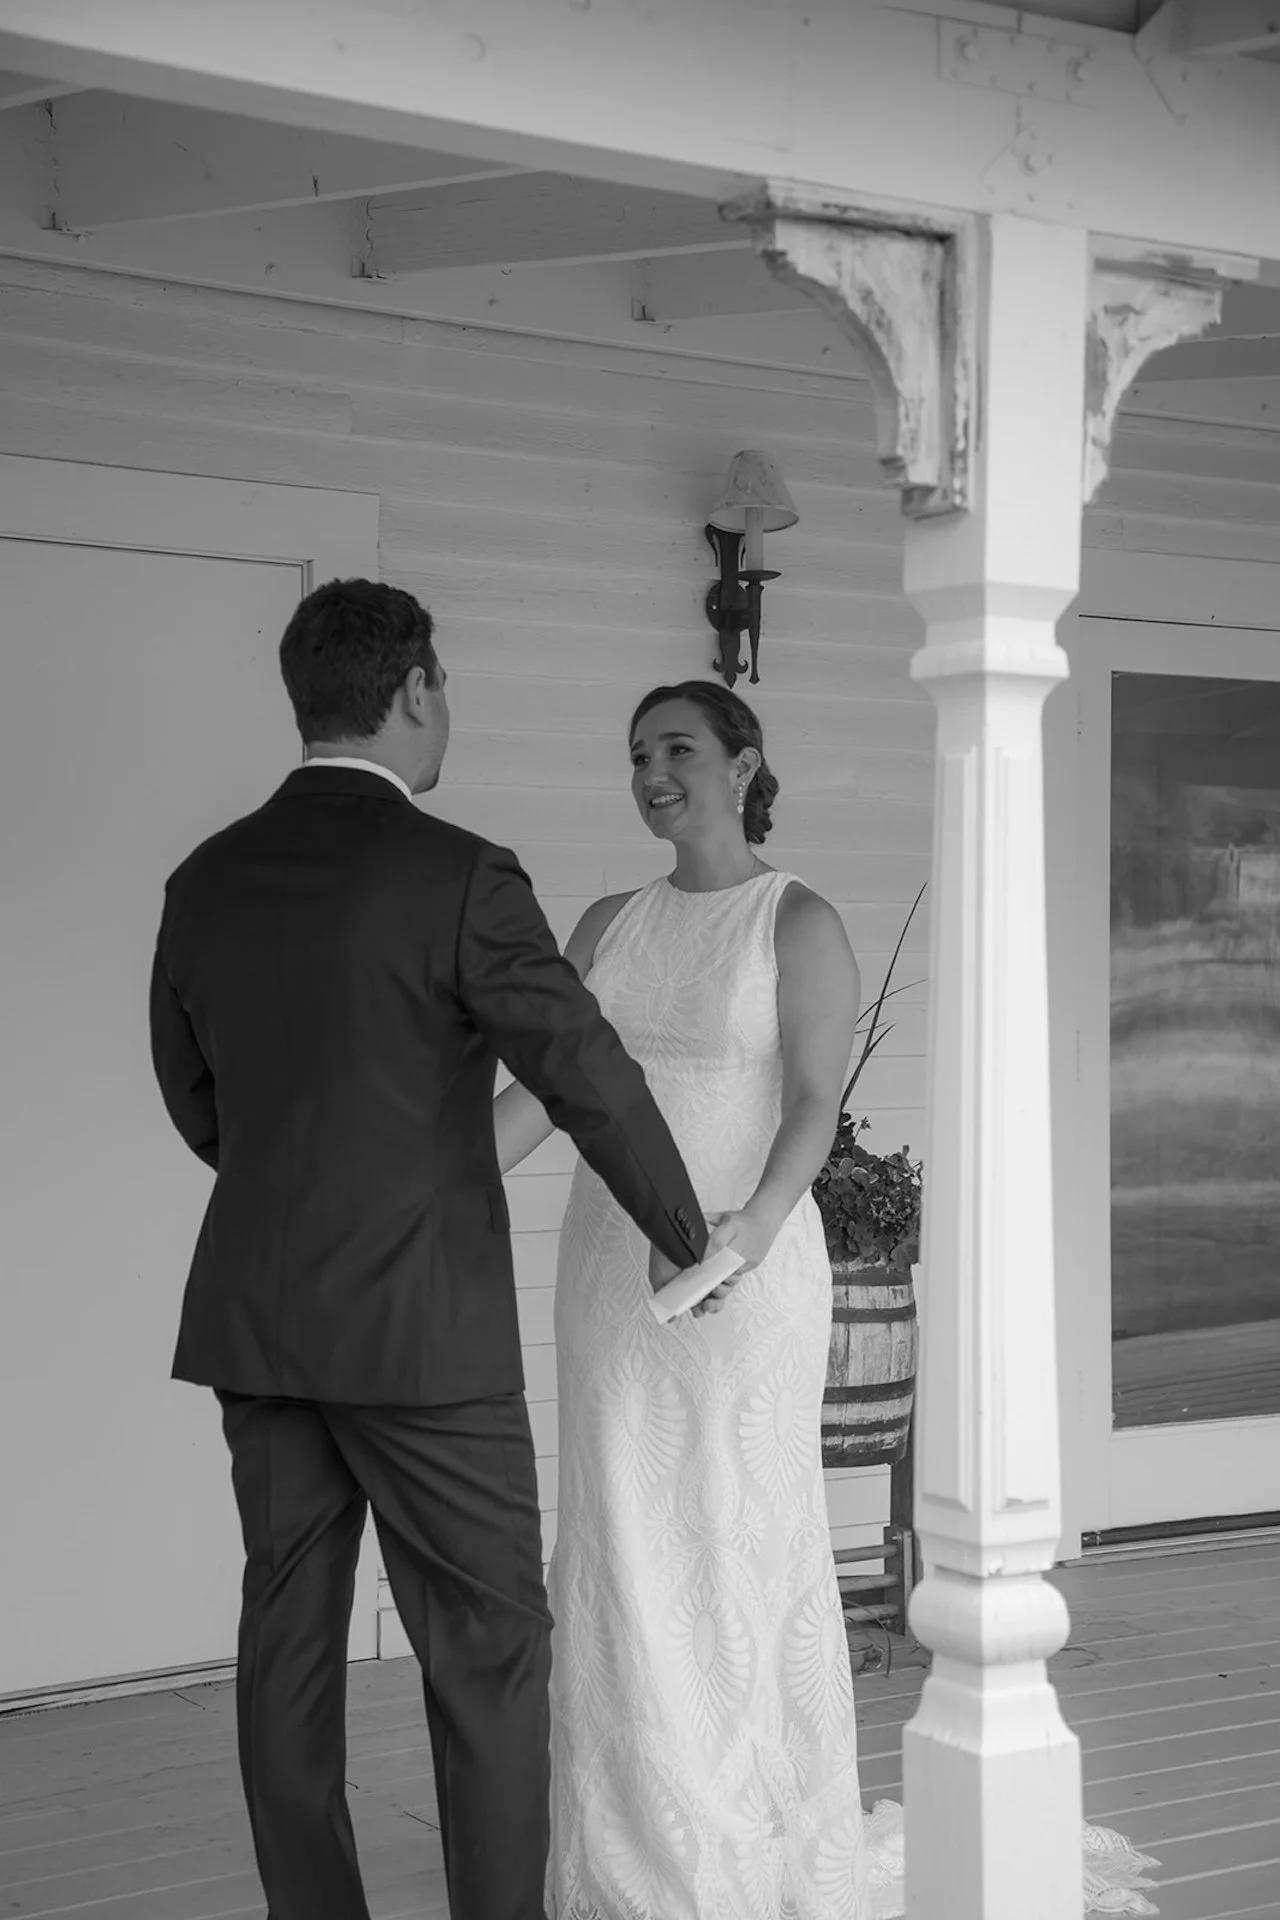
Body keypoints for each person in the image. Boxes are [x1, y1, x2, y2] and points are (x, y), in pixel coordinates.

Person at [495, 679, 1163, 1919]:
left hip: (743, 1257)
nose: (650, 772)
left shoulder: (793, 920)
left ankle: (750, 1837)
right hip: (606, 1268)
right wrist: (434, 1177)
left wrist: (741, 1238)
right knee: (621, 1540)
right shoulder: (602, 921)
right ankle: (632, 1853)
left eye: (676, 748)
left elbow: (810, 1103)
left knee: (735, 1533)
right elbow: (549, 1086)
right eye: (635, 753)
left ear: (743, 763)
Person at [148, 580, 711, 1920]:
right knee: (488, 1654)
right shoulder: (460, 874)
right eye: (441, 686)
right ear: (410, 691)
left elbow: (194, 1096)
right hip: (425, 1338)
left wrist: (307, 1185)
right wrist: (690, 1239)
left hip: (262, 1324)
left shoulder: (204, 879)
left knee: (285, 1647)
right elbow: (586, 1072)